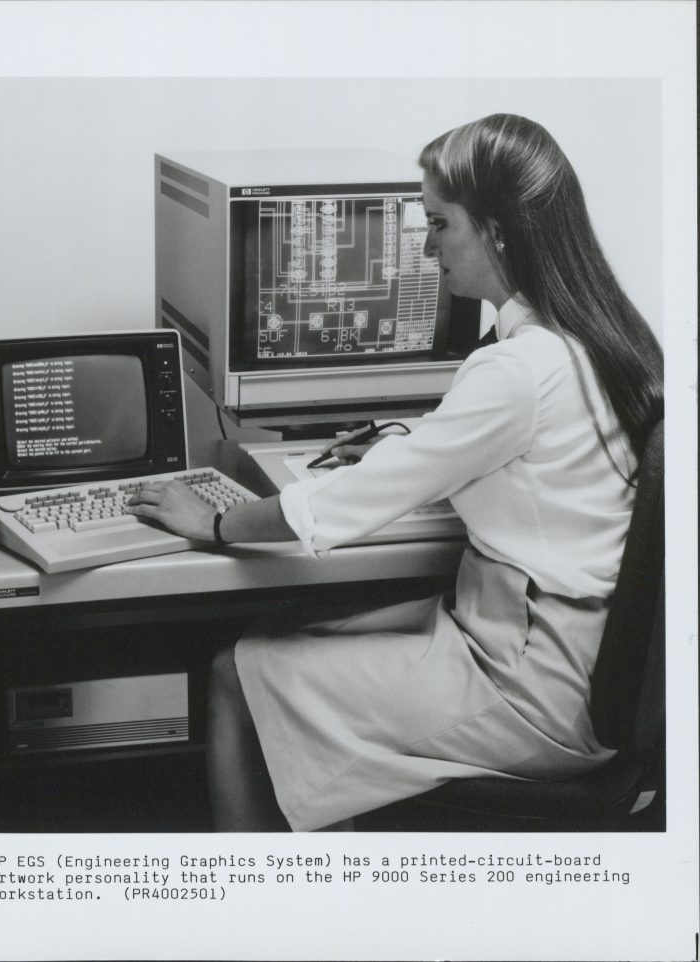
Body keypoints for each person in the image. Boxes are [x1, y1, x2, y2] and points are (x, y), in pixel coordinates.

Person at [127, 114, 664, 832]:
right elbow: (512, 454)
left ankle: (255, 922)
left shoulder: (517, 370)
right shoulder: (598, 336)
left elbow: (345, 504)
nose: (428, 244)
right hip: (559, 655)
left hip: (532, 687)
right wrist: (411, 443)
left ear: (497, 230)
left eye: (440, 225)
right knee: (295, 627)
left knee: (236, 672)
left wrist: (216, 521)